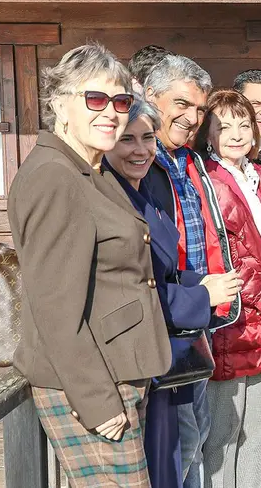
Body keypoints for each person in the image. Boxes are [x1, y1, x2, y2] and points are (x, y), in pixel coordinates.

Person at [7, 43, 171, 486]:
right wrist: (97, 401)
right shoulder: (54, 177)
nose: (112, 113)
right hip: (94, 384)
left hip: (119, 370)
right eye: (95, 99)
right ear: (60, 104)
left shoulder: (88, 169)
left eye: (121, 102)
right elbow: (56, 308)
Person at [103, 96, 241, 488]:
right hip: (140, 352)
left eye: (148, 138)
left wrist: (200, 283)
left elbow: (162, 270)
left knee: (184, 447)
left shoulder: (142, 188)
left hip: (170, 347)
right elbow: (133, 287)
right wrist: (201, 296)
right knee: (166, 461)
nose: (141, 149)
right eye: (127, 139)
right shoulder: (110, 195)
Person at [193, 90, 261, 488]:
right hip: (234, 322)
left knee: (257, 432)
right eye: (223, 126)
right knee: (224, 434)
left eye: (243, 124)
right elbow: (227, 252)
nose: (235, 134)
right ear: (209, 134)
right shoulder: (209, 182)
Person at [144, 54, 240, 488]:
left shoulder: (188, 161)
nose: (192, 117)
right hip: (162, 318)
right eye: (180, 104)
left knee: (195, 436)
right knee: (177, 445)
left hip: (196, 317)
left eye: (200, 110)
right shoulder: (141, 162)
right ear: (150, 97)